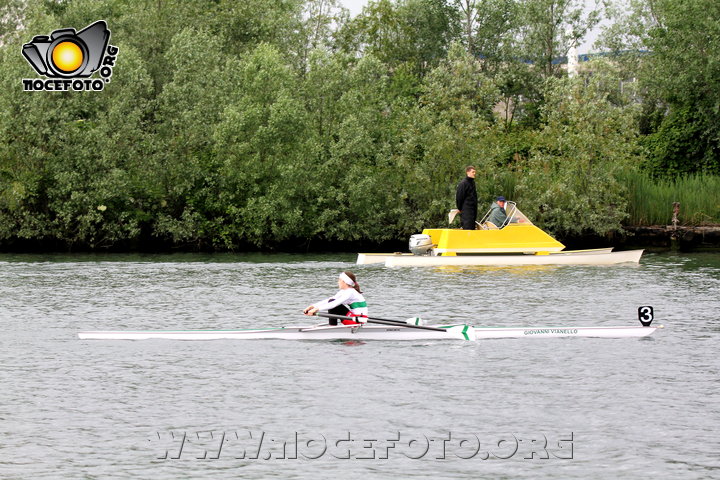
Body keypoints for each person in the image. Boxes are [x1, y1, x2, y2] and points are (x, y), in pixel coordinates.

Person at [303, 271, 368, 325]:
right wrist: (312, 306)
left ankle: (332, 327)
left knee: (333, 304)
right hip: (353, 318)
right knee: (331, 301)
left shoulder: (350, 292)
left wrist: (316, 309)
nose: (338, 282)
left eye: (339, 280)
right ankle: (332, 326)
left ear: (345, 282)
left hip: (358, 320)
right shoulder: (344, 291)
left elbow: (334, 304)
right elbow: (329, 300)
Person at [455, 166, 478, 230]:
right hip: (466, 211)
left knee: (472, 227)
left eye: (475, 172)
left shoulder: (472, 183)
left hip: (473, 210)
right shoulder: (463, 183)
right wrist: (460, 208)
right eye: (473, 172)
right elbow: (459, 197)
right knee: (468, 227)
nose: (474, 173)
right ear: (468, 172)